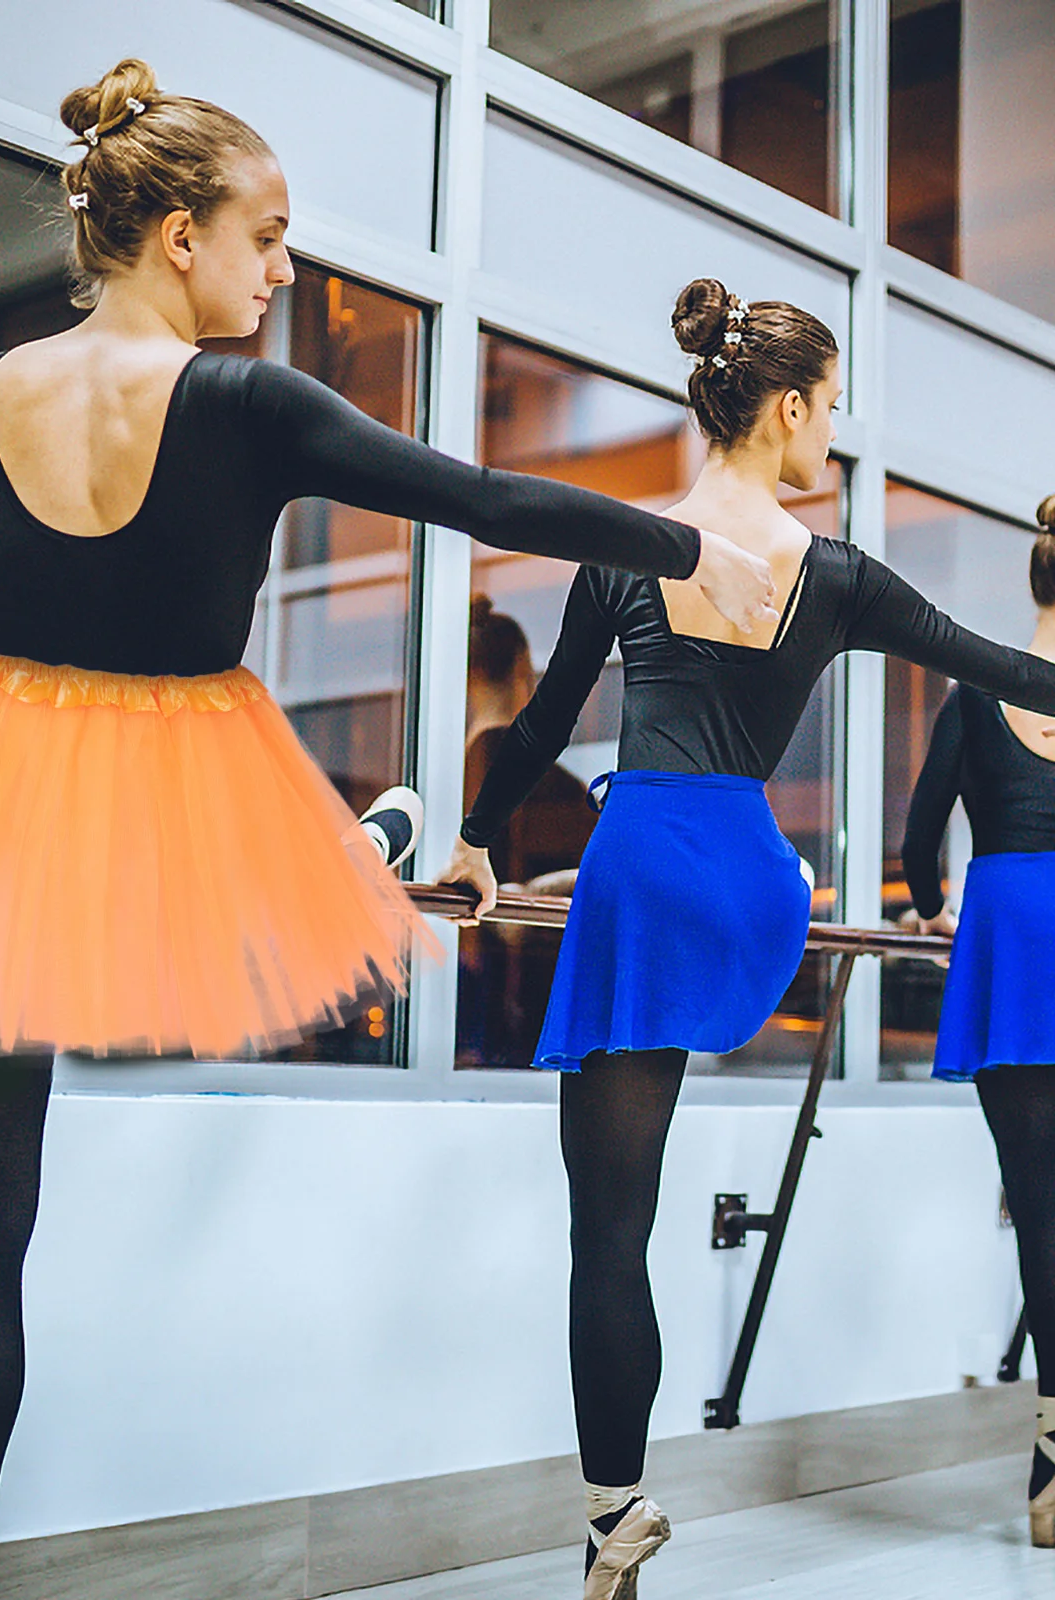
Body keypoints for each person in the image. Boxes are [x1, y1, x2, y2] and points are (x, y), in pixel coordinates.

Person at [0, 58, 775, 1594]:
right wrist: (679, 536)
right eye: (268, 234)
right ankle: (372, 852)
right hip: (175, 787)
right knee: (313, 882)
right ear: (180, 234)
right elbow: (490, 501)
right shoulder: (242, 400)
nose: (286, 268)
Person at [439, 280, 1055, 1600]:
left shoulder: (629, 545)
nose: (827, 437)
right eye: (827, 410)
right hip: (759, 886)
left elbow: (544, 725)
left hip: (647, 870)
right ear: (783, 407)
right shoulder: (831, 573)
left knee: (609, 1230)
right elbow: (1003, 669)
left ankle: (615, 1512)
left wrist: (481, 837)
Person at [902, 492, 1055, 1550]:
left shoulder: (972, 696)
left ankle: (1050, 1454)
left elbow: (918, 842)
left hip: (1006, 940)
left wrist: (929, 906)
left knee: (1037, 1208)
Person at [459, 595, 595, 1065]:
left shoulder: (436, 781)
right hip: (530, 1005)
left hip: (455, 1005)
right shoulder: (560, 790)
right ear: (524, 678)